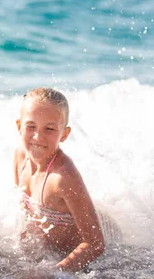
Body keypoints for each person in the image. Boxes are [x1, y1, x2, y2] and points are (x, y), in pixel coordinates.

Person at [13, 87, 104, 272]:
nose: (38, 137)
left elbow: (95, 244)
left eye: (49, 129)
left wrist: (54, 273)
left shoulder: (63, 178)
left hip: (84, 254)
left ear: (64, 134)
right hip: (53, 252)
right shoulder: (20, 157)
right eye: (31, 126)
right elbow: (23, 212)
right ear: (18, 126)